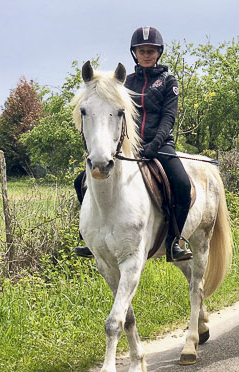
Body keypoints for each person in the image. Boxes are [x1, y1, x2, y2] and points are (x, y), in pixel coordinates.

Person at [74, 26, 192, 262]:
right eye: (142, 51)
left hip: (160, 146)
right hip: (127, 147)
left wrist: (155, 144)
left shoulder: (168, 81)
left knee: (182, 185)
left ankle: (174, 241)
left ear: (158, 53)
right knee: (80, 182)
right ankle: (89, 238)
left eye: (151, 50)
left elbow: (169, 118)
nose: (146, 54)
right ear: (134, 53)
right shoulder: (124, 83)